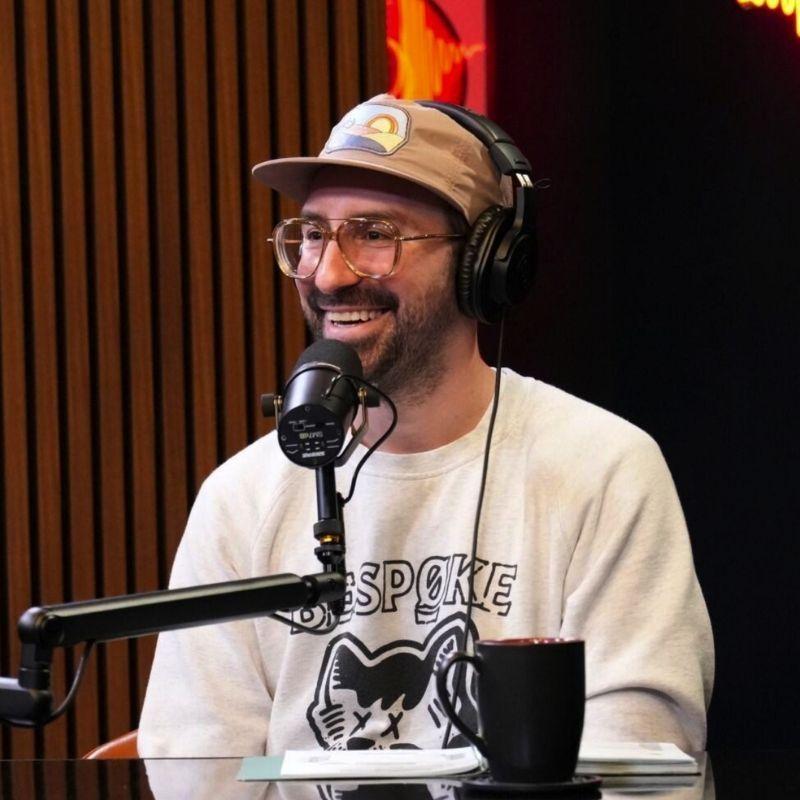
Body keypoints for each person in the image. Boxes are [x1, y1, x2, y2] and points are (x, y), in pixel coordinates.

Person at [138, 95, 713, 757]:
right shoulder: (240, 499)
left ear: (484, 264)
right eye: (315, 234)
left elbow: (642, 756)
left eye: (375, 234)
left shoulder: (602, 471)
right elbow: (200, 765)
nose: (327, 274)